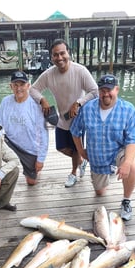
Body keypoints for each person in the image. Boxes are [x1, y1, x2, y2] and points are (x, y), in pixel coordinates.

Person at [29, 39, 98, 188]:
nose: (59, 58)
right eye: (55, 55)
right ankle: (81, 161)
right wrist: (42, 100)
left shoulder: (80, 71)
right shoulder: (48, 74)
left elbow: (95, 91)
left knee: (74, 148)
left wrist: (79, 102)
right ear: (51, 57)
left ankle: (73, 173)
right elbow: (32, 89)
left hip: (78, 117)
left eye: (62, 53)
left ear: (69, 53)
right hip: (62, 117)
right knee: (61, 147)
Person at [70, 74, 135, 221]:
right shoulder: (87, 108)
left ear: (117, 89)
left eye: (109, 90)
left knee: (132, 165)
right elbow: (75, 131)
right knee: (100, 192)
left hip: (118, 151)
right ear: (98, 91)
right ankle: (109, 172)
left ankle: (126, 200)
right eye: (102, 90)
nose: (106, 94)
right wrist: (81, 151)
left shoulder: (128, 109)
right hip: (97, 157)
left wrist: (126, 163)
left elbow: (132, 140)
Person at [0, 70, 49, 186]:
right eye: (15, 85)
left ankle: (32, 171)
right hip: (9, 143)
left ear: (28, 86)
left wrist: (41, 159)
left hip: (29, 149)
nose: (19, 88)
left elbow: (44, 134)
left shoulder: (36, 105)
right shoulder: (5, 102)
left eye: (22, 85)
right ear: (11, 86)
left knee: (31, 182)